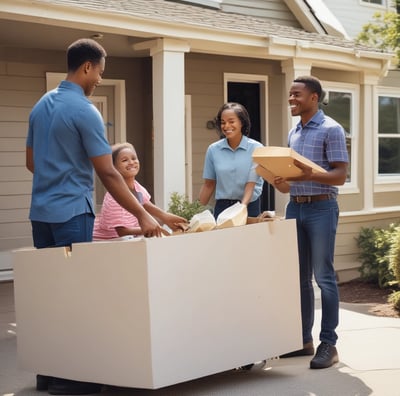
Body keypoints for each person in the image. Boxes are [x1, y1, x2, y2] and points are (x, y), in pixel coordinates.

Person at [26, 38, 163, 395]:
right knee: (77, 295)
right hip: (72, 212)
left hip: (41, 213)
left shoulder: (40, 106)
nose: (100, 79)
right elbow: (109, 173)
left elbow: (31, 163)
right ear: (87, 67)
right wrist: (143, 215)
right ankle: (79, 379)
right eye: (101, 71)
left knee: (52, 293)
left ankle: (49, 373)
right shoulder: (85, 110)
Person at [273, 76, 349, 369]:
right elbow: (294, 180)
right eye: (290, 94)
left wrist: (309, 175)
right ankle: (303, 340)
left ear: (314, 97)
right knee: (299, 279)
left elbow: (340, 176)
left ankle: (328, 344)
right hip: (296, 208)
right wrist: (283, 182)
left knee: (324, 277)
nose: (291, 99)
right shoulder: (294, 133)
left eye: (297, 94)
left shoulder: (332, 129)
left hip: (322, 209)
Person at [93, 143, 186, 239]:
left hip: (127, 241)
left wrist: (166, 217)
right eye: (124, 160)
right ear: (114, 168)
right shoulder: (114, 197)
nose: (131, 162)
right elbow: (122, 232)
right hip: (107, 243)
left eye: (134, 158)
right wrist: (151, 227)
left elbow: (146, 204)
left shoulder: (137, 187)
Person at [199, 102, 264, 219]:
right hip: (222, 207)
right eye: (223, 122)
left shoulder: (256, 148)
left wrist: (241, 208)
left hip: (248, 206)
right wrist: (195, 212)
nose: (226, 126)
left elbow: (251, 185)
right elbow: (208, 185)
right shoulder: (213, 150)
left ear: (242, 123)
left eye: (231, 121)